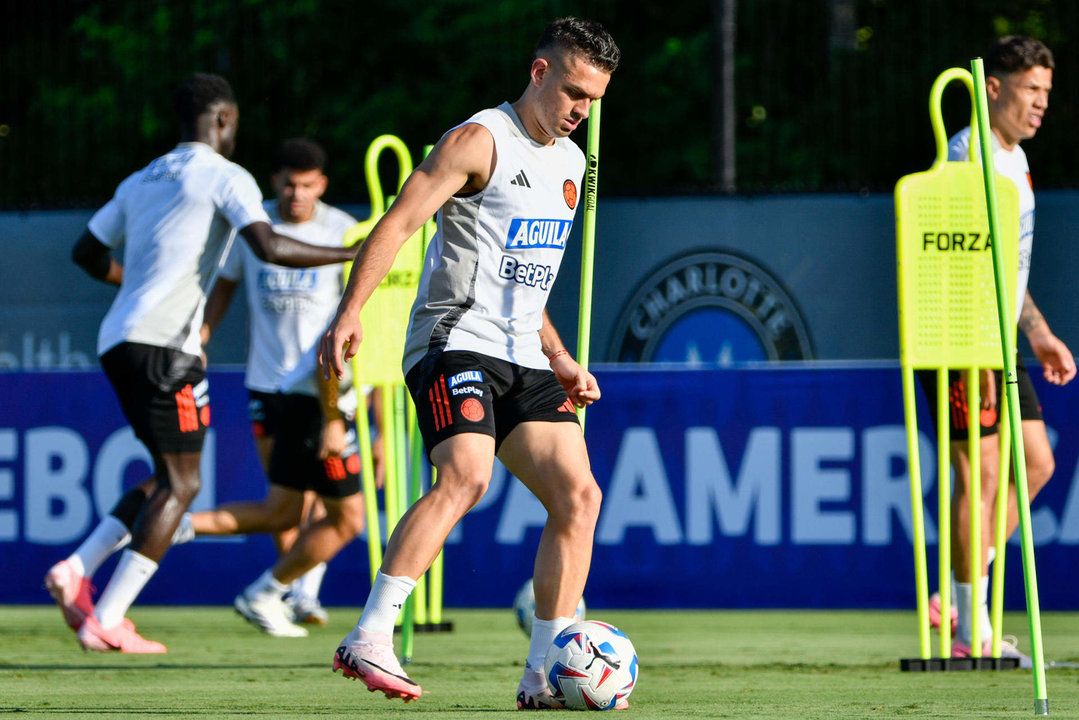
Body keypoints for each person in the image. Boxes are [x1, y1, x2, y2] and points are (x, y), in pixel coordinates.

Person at [318, 16, 620, 708]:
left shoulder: (573, 164)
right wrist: (351, 310)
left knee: (580, 497)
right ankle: (369, 636)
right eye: (573, 91)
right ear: (539, 72)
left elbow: (525, 274)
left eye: (593, 101)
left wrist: (560, 356)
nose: (581, 111)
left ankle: (543, 673)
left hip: (522, 354)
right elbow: (397, 222)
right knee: (466, 476)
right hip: (452, 341)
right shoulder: (476, 140)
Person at [43, 73, 356, 653]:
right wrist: (354, 252)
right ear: (225, 120)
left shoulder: (141, 178)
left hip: (120, 341)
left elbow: (85, 252)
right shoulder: (225, 176)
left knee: (167, 477)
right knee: (184, 484)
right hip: (169, 348)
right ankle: (106, 616)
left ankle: (77, 569)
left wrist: (132, 285)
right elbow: (270, 246)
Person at [171, 137, 375, 638]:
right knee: (292, 507)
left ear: (321, 185)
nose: (295, 193)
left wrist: (345, 403)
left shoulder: (341, 232)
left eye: (306, 184)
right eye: (287, 183)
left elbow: (356, 316)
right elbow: (225, 284)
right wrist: (203, 334)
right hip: (267, 386)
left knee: (303, 508)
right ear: (274, 182)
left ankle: (276, 588)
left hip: (319, 388)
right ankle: (278, 591)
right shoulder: (255, 227)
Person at [917, 36, 1075, 666]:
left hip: (999, 333)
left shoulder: (1017, 157)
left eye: (1047, 93)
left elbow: (1008, 263)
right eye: (1031, 90)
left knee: (1036, 463)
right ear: (994, 88)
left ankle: (960, 590)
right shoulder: (971, 153)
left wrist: (1035, 331)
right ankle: (967, 629)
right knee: (978, 474)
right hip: (962, 330)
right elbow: (961, 262)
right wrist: (976, 350)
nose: (1040, 104)